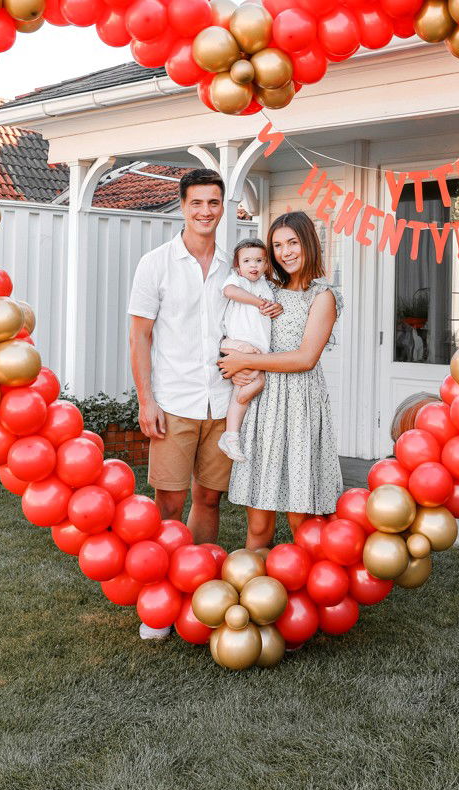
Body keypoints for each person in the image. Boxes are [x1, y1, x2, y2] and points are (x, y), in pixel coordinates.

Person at [129, 168, 253, 640]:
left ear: (224, 208)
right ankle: (160, 598)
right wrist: (147, 400)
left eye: (214, 203)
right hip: (174, 401)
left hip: (222, 405)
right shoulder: (155, 263)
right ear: (182, 206)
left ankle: (200, 591)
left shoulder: (234, 266)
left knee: (209, 498)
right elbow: (140, 336)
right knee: (169, 500)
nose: (205, 211)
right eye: (197, 203)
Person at [218, 210, 343, 552]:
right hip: (262, 403)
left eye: (292, 242)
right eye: (277, 245)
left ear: (308, 244)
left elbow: (305, 358)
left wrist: (247, 360)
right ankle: (258, 593)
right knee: (258, 519)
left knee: (301, 516)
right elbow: (234, 322)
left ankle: (314, 592)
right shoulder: (265, 290)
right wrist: (231, 356)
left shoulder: (322, 296)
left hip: (300, 404)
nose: (285, 251)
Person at [217, 238, 282, 463]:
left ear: (266, 265)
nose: (253, 265)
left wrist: (274, 306)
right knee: (251, 386)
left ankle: (231, 434)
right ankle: (232, 434)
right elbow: (229, 291)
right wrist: (258, 302)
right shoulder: (238, 281)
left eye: (258, 261)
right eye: (247, 261)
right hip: (237, 344)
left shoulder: (266, 285)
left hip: (256, 352)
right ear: (238, 266)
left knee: (251, 385)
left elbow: (272, 306)